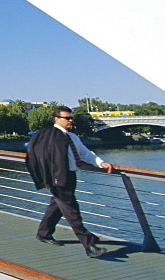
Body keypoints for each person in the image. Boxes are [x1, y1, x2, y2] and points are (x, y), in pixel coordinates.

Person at [26, 105, 115, 258]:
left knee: (58, 206)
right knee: (72, 211)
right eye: (67, 118)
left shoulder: (72, 136)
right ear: (57, 119)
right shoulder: (48, 136)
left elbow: (85, 154)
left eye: (71, 117)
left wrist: (100, 163)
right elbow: (39, 155)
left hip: (70, 175)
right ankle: (89, 244)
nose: (71, 120)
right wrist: (48, 177)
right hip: (57, 178)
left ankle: (44, 233)